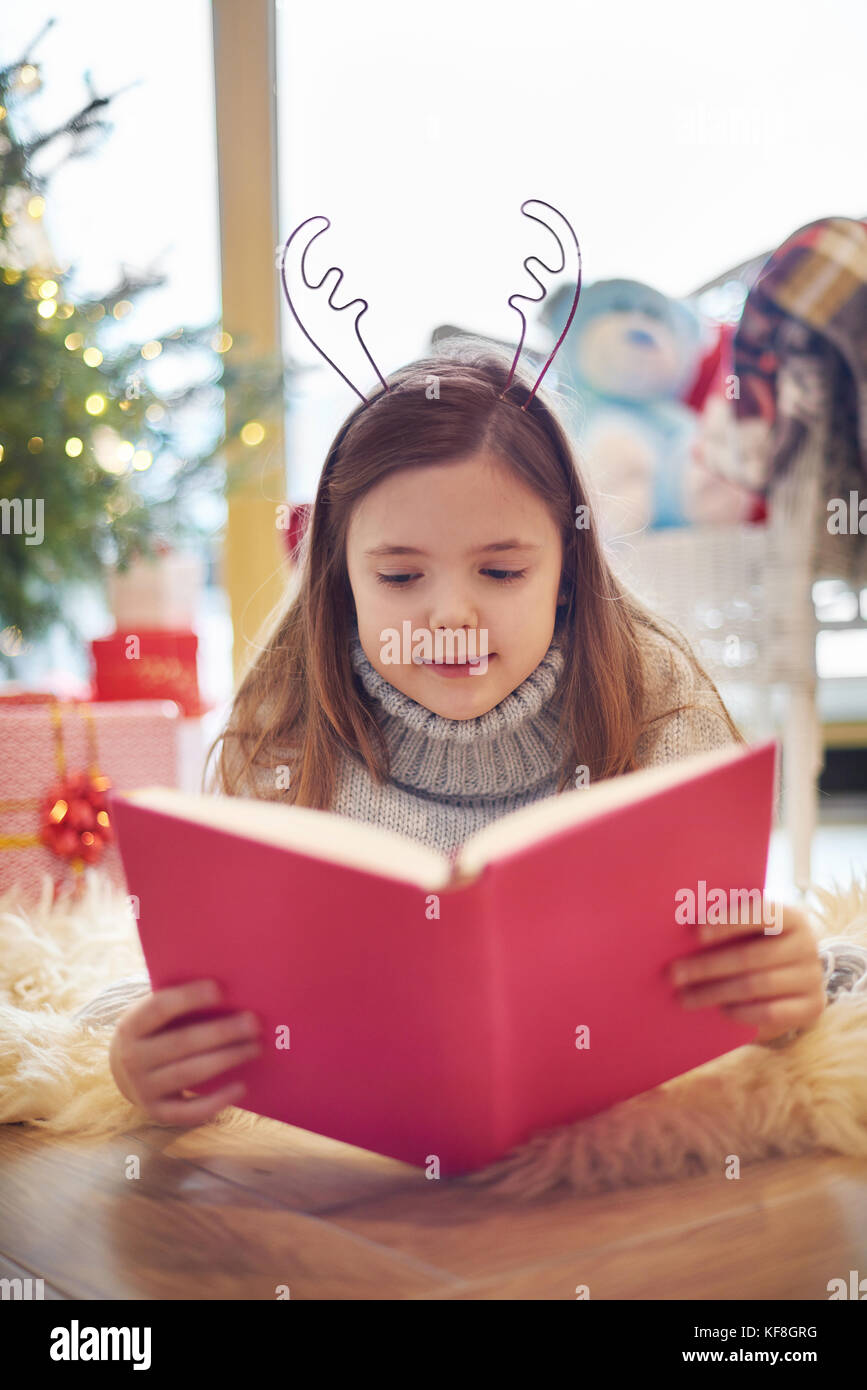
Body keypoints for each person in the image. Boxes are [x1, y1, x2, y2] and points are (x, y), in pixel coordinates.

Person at [87, 340, 827, 1127]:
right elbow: (181, 991)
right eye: (400, 577)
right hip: (348, 1194)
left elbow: (752, 955)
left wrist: (791, 984)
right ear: (340, 576)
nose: (449, 616)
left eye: (502, 572)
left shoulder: (656, 705)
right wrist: (143, 1056)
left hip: (612, 1192)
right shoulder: (282, 729)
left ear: (567, 568)